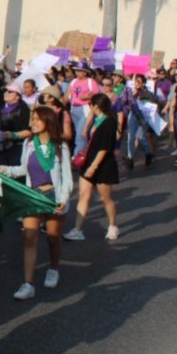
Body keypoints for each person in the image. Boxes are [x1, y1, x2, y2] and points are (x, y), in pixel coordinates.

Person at [0, 107, 73, 300]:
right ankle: (28, 283)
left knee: (53, 238)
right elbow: (23, 169)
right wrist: (3, 170)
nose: (33, 123)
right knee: (29, 237)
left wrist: (63, 200)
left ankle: (53, 268)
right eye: (32, 119)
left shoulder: (61, 146)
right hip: (33, 196)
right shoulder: (29, 144)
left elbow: (68, 178)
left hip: (54, 197)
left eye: (37, 119)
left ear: (48, 121)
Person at [64, 94, 120, 243]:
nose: (90, 108)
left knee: (105, 198)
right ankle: (78, 229)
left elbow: (104, 148)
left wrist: (93, 167)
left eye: (90, 105)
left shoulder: (109, 122)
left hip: (103, 165)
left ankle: (112, 226)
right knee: (83, 195)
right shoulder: (97, 120)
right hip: (89, 162)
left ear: (95, 106)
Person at [67, 66, 100, 155]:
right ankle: (85, 155)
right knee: (79, 133)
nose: (77, 73)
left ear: (85, 72)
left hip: (86, 109)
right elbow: (67, 95)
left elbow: (97, 96)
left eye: (79, 71)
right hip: (74, 109)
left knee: (81, 135)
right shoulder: (73, 81)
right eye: (76, 71)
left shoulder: (90, 82)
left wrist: (87, 97)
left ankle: (77, 158)